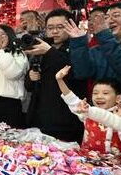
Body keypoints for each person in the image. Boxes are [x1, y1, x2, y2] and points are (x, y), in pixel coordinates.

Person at [24, 9, 87, 143]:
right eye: (50, 28)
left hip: (65, 120)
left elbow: (78, 74)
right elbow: (29, 87)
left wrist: (50, 52)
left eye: (60, 27)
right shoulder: (41, 49)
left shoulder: (77, 48)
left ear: (70, 27)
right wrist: (30, 77)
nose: (55, 31)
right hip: (39, 116)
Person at [66, 1, 121, 97]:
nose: (110, 20)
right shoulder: (98, 49)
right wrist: (79, 42)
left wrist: (104, 35)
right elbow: (82, 73)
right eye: (107, 17)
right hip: (100, 102)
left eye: (116, 15)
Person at [57, 68, 121, 161]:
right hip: (88, 163)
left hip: (119, 167)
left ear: (119, 98)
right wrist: (60, 80)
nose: (99, 96)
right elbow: (72, 101)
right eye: (95, 93)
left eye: (105, 93)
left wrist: (120, 123)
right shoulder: (88, 112)